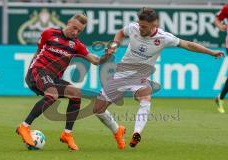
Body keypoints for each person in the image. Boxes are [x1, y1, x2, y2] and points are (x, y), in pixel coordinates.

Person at [93, 7, 224, 149]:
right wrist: (114, 46)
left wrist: (211, 52)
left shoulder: (164, 38)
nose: (140, 28)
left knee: (145, 98)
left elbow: (188, 44)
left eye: (144, 27)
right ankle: (117, 130)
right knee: (98, 109)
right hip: (122, 73)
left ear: (154, 25)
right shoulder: (133, 28)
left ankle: (137, 132)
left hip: (140, 77)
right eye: (140, 24)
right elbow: (120, 33)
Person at [16, 13, 113, 151]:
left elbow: (96, 61)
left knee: (75, 93)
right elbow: (38, 52)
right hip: (38, 72)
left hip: (53, 77)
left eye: (79, 31)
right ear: (68, 23)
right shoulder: (49, 33)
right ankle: (24, 126)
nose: (75, 32)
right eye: (74, 28)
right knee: (53, 94)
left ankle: (67, 134)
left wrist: (107, 56)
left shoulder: (77, 45)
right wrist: (31, 73)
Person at [214, 3, 228, 114]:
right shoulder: (227, 7)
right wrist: (220, 26)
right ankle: (220, 98)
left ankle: (220, 98)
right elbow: (217, 19)